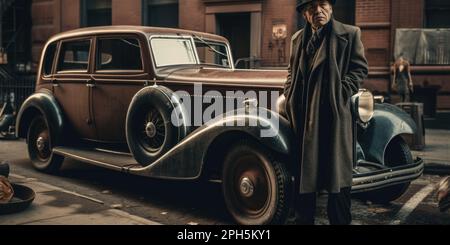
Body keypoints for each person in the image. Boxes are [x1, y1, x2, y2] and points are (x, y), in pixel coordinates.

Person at [283, 0, 368, 225]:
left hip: (333, 116)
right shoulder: (297, 39)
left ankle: (339, 221)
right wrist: (289, 91)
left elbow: (359, 69)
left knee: (337, 175)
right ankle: (304, 220)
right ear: (305, 14)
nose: (318, 11)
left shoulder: (349, 34)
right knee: (304, 173)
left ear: (331, 8)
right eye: (312, 8)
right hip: (302, 116)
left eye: (323, 5)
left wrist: (339, 92)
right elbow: (291, 70)